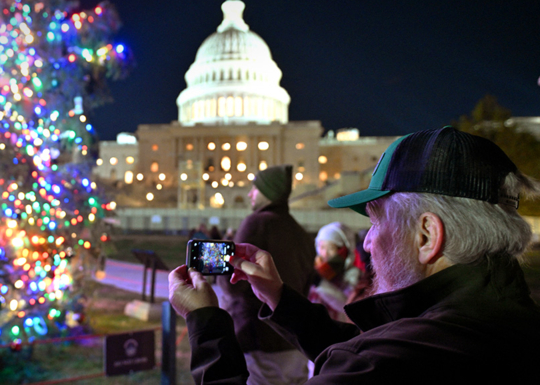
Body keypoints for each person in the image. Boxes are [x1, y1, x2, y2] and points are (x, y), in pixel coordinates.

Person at [169, 127, 540, 383]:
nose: (366, 242)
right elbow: (365, 349)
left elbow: (372, 360)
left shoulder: (388, 364)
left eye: (376, 223)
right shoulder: (507, 323)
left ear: (427, 235)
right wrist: (280, 298)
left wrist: (206, 321)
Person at [214, 165, 315, 385]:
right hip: (295, 343)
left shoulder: (257, 223)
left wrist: (220, 266)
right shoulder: (300, 233)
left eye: (255, 188)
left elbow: (233, 284)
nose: (250, 194)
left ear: (268, 192)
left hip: (258, 339)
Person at [308, 222, 360, 322]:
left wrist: (320, 284)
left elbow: (347, 306)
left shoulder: (353, 275)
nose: (324, 253)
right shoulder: (315, 271)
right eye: (322, 247)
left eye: (331, 248)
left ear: (344, 250)